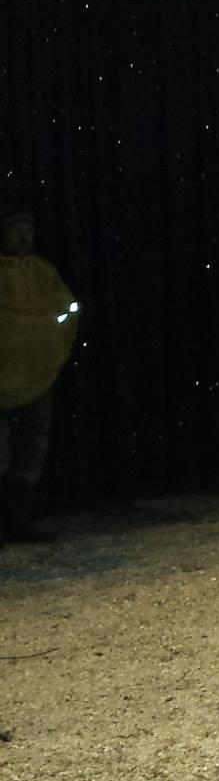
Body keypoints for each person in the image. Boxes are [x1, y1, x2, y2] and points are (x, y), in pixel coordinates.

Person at [0, 198, 77, 546]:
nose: (23, 235)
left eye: (28, 227)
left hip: (38, 375)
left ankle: (18, 520)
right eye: (15, 227)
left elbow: (67, 310)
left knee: (31, 447)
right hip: (3, 379)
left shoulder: (43, 272)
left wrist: (53, 341)